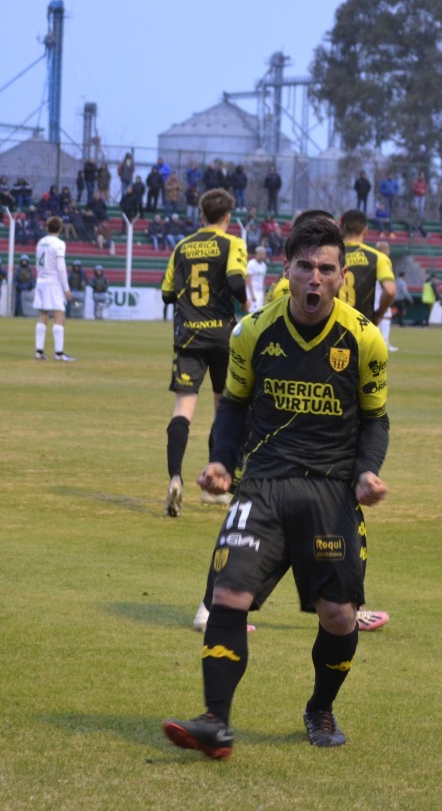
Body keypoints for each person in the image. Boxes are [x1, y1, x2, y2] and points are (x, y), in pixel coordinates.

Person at [161, 213, 390, 759]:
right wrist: (221, 462)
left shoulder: (364, 340)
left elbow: (375, 418)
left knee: (338, 615)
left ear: (341, 277)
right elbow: (235, 406)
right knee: (228, 596)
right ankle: (215, 721)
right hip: (262, 486)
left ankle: (319, 707)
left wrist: (366, 471)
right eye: (305, 267)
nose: (316, 278)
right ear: (286, 269)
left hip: (330, 492)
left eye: (326, 269)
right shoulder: (253, 331)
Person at [159, 188, 248, 519]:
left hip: (188, 337)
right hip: (224, 337)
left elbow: (168, 294)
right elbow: (236, 281)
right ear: (227, 217)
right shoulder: (232, 243)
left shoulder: (182, 246)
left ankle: (175, 479)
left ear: (201, 216)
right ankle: (214, 488)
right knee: (225, 410)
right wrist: (246, 302)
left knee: (183, 408)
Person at [338, 210, 396, 328]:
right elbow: (390, 291)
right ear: (365, 231)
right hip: (363, 327)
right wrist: (379, 315)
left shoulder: (329, 255)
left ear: (341, 228)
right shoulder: (378, 257)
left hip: (333, 326)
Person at [31, 216, 75, 361]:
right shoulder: (59, 244)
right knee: (59, 315)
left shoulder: (40, 242)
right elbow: (61, 268)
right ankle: (59, 354)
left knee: (43, 314)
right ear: (60, 229)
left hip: (41, 281)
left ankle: (39, 352)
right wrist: (66, 288)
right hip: (52, 282)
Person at [245, 246, 268, 312]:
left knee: (259, 312)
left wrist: (264, 295)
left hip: (260, 292)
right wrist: (252, 295)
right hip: (252, 291)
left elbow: (263, 281)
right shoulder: (251, 264)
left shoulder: (264, 266)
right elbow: (248, 280)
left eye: (263, 254)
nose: (262, 256)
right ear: (256, 254)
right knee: (252, 312)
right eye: (260, 254)